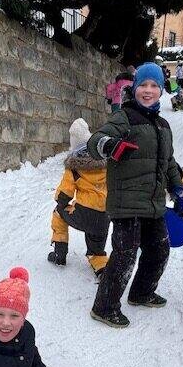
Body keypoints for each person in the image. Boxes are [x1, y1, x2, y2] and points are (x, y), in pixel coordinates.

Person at [86, 62, 183, 328]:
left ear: (161, 90)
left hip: (154, 203)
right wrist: (110, 146)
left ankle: (141, 292)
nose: (148, 90)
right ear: (135, 87)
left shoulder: (163, 126)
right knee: (125, 256)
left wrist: (178, 189)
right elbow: (96, 141)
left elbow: (169, 162)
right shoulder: (124, 117)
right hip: (126, 203)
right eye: (143, 85)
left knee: (159, 250)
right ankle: (104, 307)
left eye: (154, 85)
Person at [48, 118, 109, 278]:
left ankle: (59, 254)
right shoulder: (106, 164)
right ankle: (100, 266)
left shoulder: (74, 166)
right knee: (97, 247)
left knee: (58, 214)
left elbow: (64, 194)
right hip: (105, 215)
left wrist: (60, 203)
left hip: (84, 214)